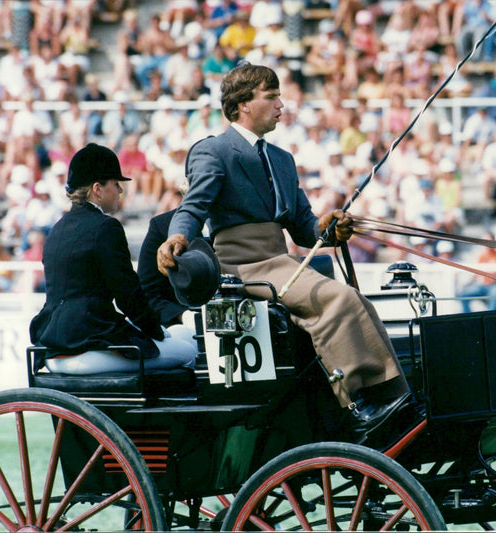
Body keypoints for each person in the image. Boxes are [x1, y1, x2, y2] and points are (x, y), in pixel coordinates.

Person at [155, 63, 413, 441]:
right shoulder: (213, 151)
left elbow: (305, 227)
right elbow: (193, 207)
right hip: (240, 266)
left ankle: (392, 395)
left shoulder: (282, 159)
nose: (281, 104)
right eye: (271, 96)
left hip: (280, 261)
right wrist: (178, 236)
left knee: (356, 299)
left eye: (279, 96)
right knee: (337, 299)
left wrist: (329, 228)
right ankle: (358, 403)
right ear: (242, 104)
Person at [29, 143, 196, 375]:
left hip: (52, 344)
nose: (120, 191)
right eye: (116, 184)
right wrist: (156, 331)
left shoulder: (57, 228)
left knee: (180, 334)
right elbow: (128, 296)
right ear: (98, 188)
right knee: (189, 350)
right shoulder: (106, 227)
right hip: (88, 345)